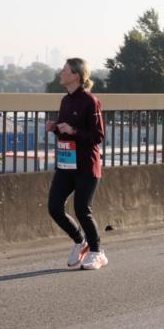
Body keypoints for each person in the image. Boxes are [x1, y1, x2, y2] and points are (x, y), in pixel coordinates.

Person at [45, 58, 107, 270]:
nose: (61, 72)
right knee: (54, 207)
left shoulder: (91, 101)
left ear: (76, 76)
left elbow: (98, 136)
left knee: (82, 209)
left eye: (65, 70)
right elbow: (65, 129)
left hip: (86, 165)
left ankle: (97, 252)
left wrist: (74, 131)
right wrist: (54, 127)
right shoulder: (65, 100)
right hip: (66, 162)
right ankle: (81, 241)